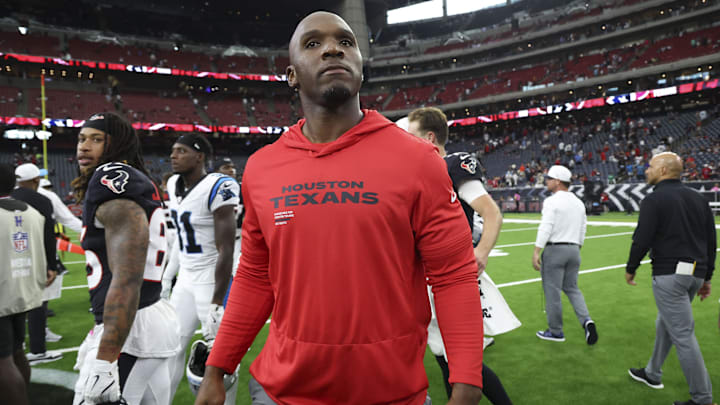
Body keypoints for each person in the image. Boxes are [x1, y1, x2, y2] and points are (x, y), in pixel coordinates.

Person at [195, 11, 484, 405]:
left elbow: (453, 276)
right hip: (278, 392)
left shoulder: (418, 161)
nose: (333, 48)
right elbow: (254, 276)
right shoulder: (262, 168)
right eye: (313, 44)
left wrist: (466, 384)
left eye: (345, 42)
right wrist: (218, 367)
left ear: (361, 65)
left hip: (390, 394)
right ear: (292, 74)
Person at [71, 112, 180, 405]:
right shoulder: (134, 177)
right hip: (147, 318)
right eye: (82, 139)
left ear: (116, 143)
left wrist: (105, 358)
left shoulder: (111, 178)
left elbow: (128, 274)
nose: (84, 146)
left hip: (130, 331)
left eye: (96, 139)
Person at [406, 107, 511, 405]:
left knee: (460, 365)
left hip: (448, 275)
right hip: (426, 275)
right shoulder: (420, 171)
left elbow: (491, 212)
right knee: (442, 357)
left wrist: (482, 252)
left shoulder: (451, 165)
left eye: (411, 136)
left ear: (429, 138)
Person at [625, 152, 715, 405]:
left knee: (683, 334)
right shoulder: (698, 199)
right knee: (665, 323)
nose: (646, 170)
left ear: (663, 170)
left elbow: (642, 237)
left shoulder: (655, 199)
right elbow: (711, 240)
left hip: (670, 274)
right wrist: (706, 277)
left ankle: (702, 399)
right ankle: (653, 373)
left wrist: (631, 267)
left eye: (650, 166)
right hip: (694, 273)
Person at [164, 135, 239, 404]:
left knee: (218, 359)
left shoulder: (220, 185)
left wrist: (218, 301)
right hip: (184, 278)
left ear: (200, 157)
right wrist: (167, 277)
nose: (173, 155)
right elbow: (179, 239)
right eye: (172, 150)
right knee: (170, 349)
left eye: (181, 151)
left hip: (210, 278)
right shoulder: (173, 184)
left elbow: (226, 249)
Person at [0, 163, 51, 405]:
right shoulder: (32, 211)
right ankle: (22, 395)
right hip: (23, 290)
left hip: (2, 294)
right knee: (17, 351)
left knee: (3, 361)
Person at [532, 165, 597, 344]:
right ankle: (586, 320)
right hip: (574, 249)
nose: (547, 181)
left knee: (552, 292)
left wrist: (537, 250)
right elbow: (583, 227)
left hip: (555, 250)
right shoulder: (578, 202)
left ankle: (556, 331)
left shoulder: (552, 201)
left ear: (558, 181)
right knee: (572, 288)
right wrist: (578, 246)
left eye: (549, 178)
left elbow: (546, 226)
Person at [11, 163, 62, 365]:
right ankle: (38, 350)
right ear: (36, 180)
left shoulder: (8, 198)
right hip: (33, 257)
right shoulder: (42, 200)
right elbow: (48, 235)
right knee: (36, 303)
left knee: (12, 303)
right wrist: (52, 264)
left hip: (8, 257)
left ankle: (16, 346)